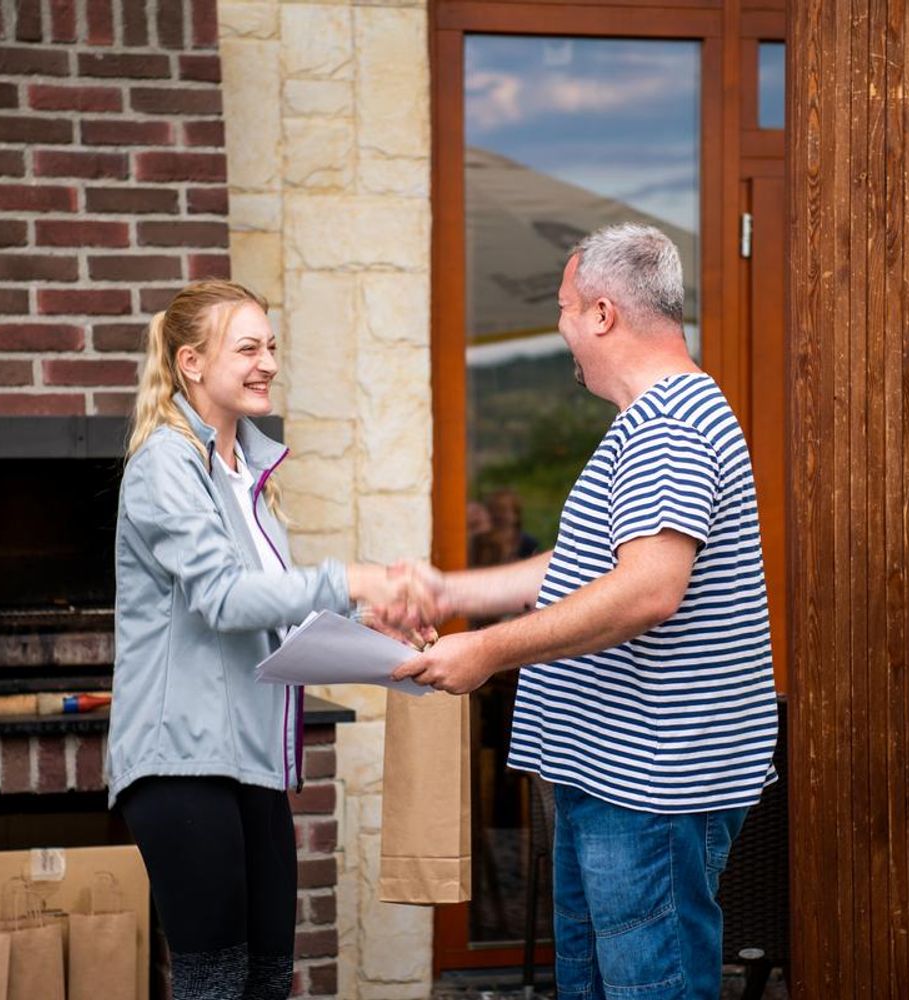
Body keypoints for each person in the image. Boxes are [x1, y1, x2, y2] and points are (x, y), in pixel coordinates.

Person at [395, 224, 779, 1000]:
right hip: (617, 780)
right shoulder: (653, 420)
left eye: (565, 308)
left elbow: (647, 589)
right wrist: (449, 593)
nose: (562, 326)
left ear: (604, 313)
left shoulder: (669, 427)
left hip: (647, 789)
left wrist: (488, 652)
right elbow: (582, 565)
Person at [108, 280, 429, 1000]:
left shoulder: (247, 473)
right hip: (182, 761)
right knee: (217, 987)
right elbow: (222, 597)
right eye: (248, 348)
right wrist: (351, 577)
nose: (269, 364)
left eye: (272, 347)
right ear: (191, 362)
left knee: (267, 983)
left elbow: (267, 611)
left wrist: (368, 623)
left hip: (251, 763)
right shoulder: (165, 463)